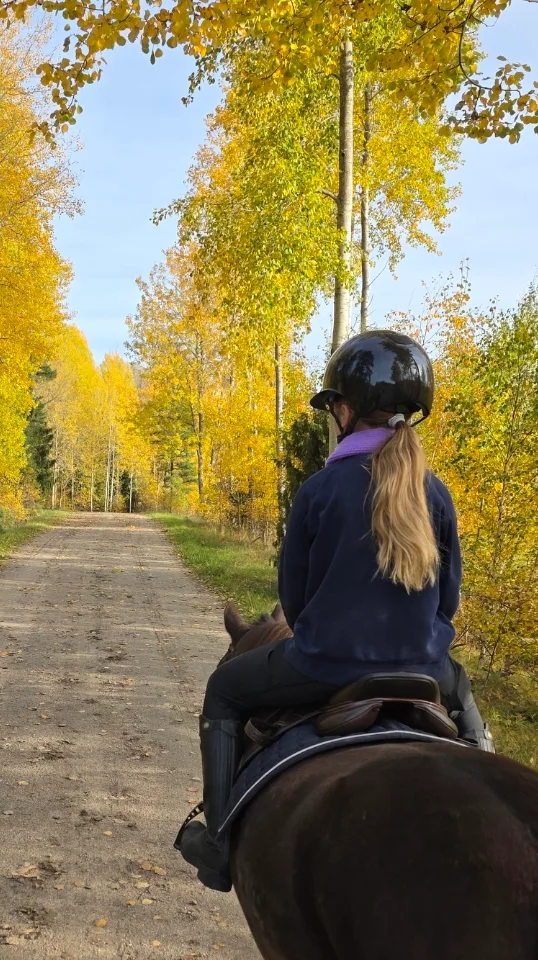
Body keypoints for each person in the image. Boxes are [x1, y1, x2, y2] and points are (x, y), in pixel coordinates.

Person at [176, 330, 492, 893]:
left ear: (345, 409)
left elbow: (294, 602)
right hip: (426, 669)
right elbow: (449, 601)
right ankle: (491, 777)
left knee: (224, 688)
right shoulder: (435, 493)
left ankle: (220, 841)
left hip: (325, 664)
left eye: (335, 407)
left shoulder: (320, 489)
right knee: (463, 694)